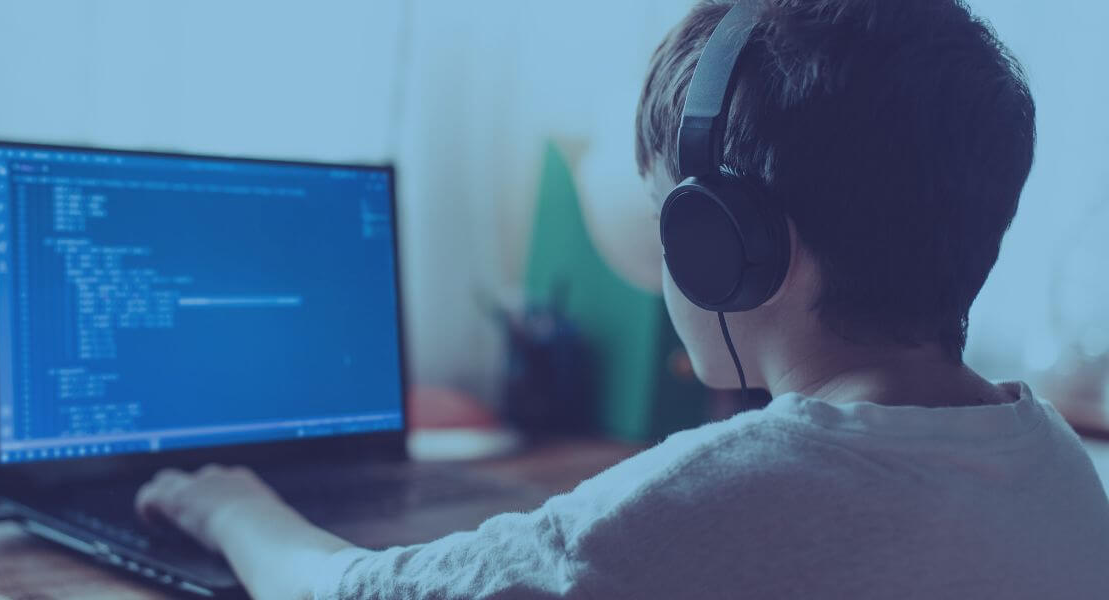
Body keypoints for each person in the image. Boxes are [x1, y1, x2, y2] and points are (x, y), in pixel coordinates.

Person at [135, 1, 1109, 598]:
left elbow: (359, 592)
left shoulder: (724, 490)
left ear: (726, 243)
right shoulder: (1059, 468)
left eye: (666, 217)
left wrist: (233, 513)